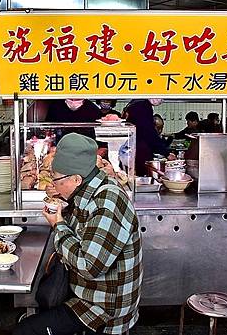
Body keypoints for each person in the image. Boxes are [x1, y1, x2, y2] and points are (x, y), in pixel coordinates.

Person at [14, 133, 142, 335]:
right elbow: (85, 227)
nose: (53, 184)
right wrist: (66, 204)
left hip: (103, 307)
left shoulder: (107, 202)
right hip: (87, 293)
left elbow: (89, 266)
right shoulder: (90, 188)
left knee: (25, 332)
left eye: (56, 179)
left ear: (76, 178)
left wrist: (58, 223)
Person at [123, 99, 171, 176]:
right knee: (140, 176)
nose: (162, 100)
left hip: (131, 149)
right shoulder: (143, 105)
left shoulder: (134, 103)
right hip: (139, 152)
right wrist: (166, 153)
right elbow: (148, 132)